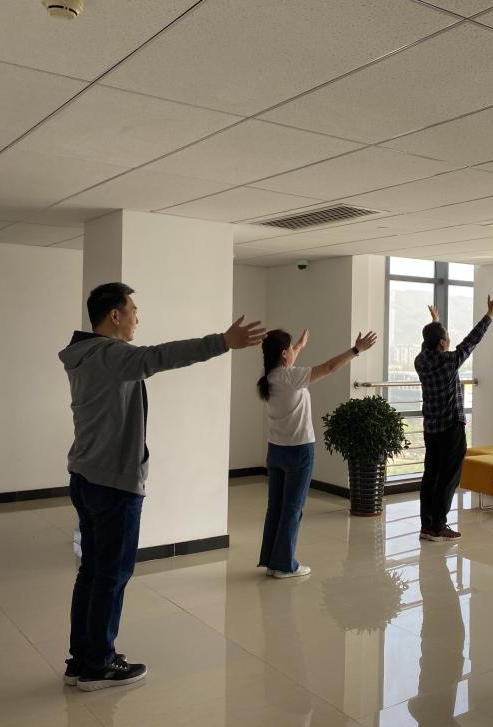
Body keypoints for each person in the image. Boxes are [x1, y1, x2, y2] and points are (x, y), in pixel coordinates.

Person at [60, 282, 265, 691]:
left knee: (93, 571)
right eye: (133, 310)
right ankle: (98, 665)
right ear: (115, 315)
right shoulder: (111, 355)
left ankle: (82, 657)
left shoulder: (83, 354)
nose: (138, 317)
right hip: (113, 482)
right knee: (111, 574)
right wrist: (223, 342)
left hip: (85, 476)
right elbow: (160, 356)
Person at [257, 327, 377, 578]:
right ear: (283, 354)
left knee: (275, 507)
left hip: (276, 451)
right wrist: (356, 350)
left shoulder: (269, 378)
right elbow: (330, 367)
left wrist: (299, 346)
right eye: (290, 349)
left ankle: (271, 561)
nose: (293, 351)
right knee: (293, 508)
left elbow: (288, 362)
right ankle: (284, 565)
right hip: (299, 451)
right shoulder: (291, 377)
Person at [415, 291, 493, 541]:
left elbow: (429, 345)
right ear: (442, 344)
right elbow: (472, 340)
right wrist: (491, 312)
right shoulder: (449, 361)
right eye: (446, 337)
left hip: (431, 429)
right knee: (448, 478)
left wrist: (435, 323)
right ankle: (438, 526)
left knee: (431, 475)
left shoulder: (420, 361)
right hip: (451, 429)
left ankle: (427, 526)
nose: (450, 340)